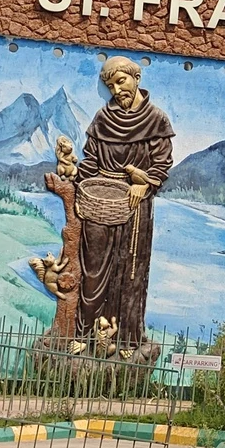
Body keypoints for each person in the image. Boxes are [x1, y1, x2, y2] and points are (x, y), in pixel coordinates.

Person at [74, 56, 174, 348]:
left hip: (135, 206)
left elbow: (161, 164)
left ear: (136, 79)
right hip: (100, 201)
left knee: (130, 271)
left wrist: (144, 185)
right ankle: (85, 335)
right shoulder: (103, 119)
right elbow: (90, 160)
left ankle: (127, 339)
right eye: (110, 85)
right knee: (94, 270)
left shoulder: (156, 120)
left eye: (122, 81)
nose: (117, 90)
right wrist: (76, 181)